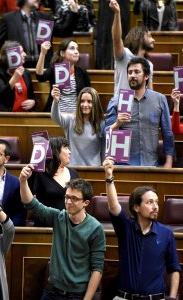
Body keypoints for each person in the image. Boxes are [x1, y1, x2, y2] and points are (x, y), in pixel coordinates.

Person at [20, 166, 106, 299]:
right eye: (66, 197)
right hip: (52, 291)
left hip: (77, 295)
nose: (68, 202)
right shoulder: (58, 217)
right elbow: (31, 203)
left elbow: (97, 269)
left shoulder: (95, 228)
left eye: (74, 199)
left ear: (86, 203)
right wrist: (23, 181)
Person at [102, 157, 181, 299]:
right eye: (150, 202)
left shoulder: (166, 234)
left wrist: (173, 297)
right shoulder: (126, 228)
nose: (155, 206)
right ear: (136, 207)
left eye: (156, 202)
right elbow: (114, 206)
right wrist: (109, 177)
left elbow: (174, 268)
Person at [105, 56, 174, 167]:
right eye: (130, 72)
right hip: (123, 165)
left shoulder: (159, 99)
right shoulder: (116, 101)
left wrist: (169, 162)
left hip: (150, 164)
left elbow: (167, 133)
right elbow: (106, 133)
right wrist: (117, 124)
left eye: (137, 72)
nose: (132, 75)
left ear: (146, 76)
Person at [0, 0, 81, 67]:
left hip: (44, 68)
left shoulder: (44, 17)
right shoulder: (9, 19)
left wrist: (73, 12)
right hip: (19, 68)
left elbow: (64, 32)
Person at [28, 136, 78, 225]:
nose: (69, 152)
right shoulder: (39, 173)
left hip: (69, 225)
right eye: (66, 148)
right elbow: (27, 197)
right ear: (56, 151)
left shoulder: (73, 173)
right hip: (46, 226)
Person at [109, 0, 155, 97]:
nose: (153, 40)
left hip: (140, 109)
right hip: (120, 107)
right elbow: (116, 39)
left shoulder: (149, 64)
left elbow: (150, 93)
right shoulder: (124, 55)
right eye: (150, 36)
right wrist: (117, 13)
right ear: (141, 37)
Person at [51, 86, 105, 166]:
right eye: (82, 101)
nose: (85, 104)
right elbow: (55, 116)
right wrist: (56, 101)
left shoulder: (101, 123)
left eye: (89, 101)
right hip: (73, 168)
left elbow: (104, 150)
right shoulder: (70, 120)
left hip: (94, 169)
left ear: (95, 104)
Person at [36, 39, 91, 112]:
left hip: (76, 115)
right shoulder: (54, 69)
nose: (76, 52)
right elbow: (40, 77)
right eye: (72, 48)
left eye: (77, 49)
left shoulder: (81, 72)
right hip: (56, 114)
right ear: (62, 53)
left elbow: (89, 93)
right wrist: (43, 53)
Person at [0, 40, 36, 112]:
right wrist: (15, 78)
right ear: (11, 55)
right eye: (21, 52)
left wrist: (33, 102)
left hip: (25, 117)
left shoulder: (26, 73)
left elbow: (32, 97)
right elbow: (1, 95)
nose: (25, 54)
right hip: (5, 117)